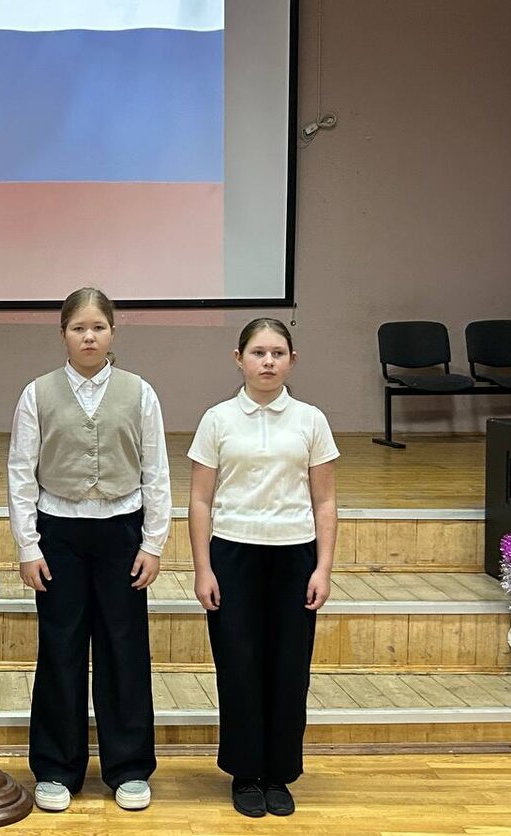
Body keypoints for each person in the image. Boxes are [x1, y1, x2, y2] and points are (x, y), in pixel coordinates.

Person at [7, 286, 171, 813]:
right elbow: (20, 472)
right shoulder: (37, 394)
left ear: (112, 332)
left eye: (98, 327)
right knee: (61, 649)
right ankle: (57, 767)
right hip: (60, 534)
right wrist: (28, 545)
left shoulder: (139, 392)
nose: (89, 336)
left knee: (125, 650)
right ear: (63, 334)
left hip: (122, 533)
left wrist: (153, 542)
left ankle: (129, 767)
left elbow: (156, 471)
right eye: (79, 328)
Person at [187, 318, 339, 818]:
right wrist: (203, 569)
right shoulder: (217, 420)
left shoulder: (311, 420)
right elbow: (200, 500)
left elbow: (325, 501)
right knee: (239, 666)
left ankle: (279, 774)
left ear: (292, 360)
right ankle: (245, 773)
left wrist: (323, 568)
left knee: (289, 669)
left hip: (294, 555)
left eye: (278, 353)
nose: (268, 362)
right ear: (239, 359)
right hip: (233, 555)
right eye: (258, 353)